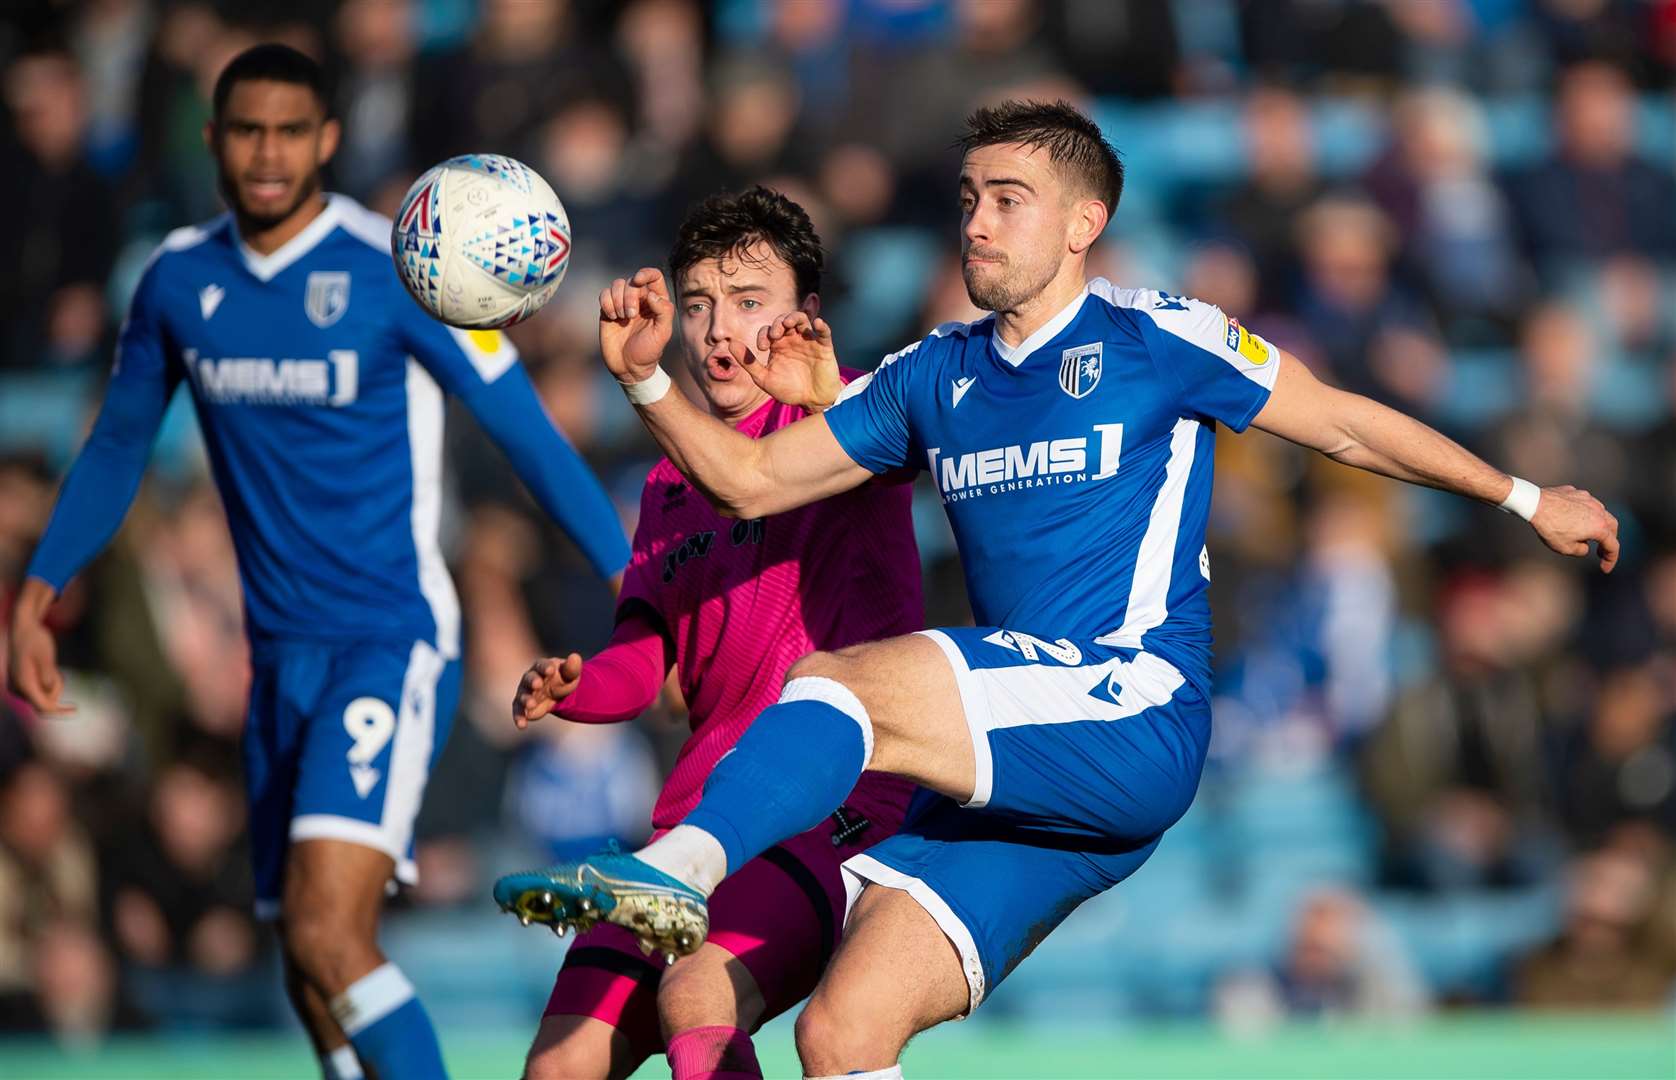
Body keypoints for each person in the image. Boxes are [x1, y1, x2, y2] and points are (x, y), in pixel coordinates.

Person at [495, 99, 1619, 1079]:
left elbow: (1337, 419)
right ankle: (686, 879)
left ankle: (675, 868)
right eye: (970, 196)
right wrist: (645, 377)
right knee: (840, 1033)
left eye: (1008, 198)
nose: (976, 220)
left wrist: (1521, 498)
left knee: (838, 683)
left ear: (1081, 225)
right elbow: (747, 479)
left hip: (1129, 701)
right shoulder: (932, 372)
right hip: (1022, 775)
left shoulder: (1157, 337)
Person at [5, 44, 629, 1080]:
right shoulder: (177, 282)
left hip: (385, 641)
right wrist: (38, 590)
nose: (267, 151)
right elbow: (118, 446)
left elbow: (527, 437)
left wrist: (627, 572)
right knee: (306, 961)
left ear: (327, 139)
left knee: (329, 930)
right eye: (246, 129)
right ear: (211, 140)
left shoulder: (399, 274)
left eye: (291, 130)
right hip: (273, 658)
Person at [495, 187, 920, 1080]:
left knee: (696, 991)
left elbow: (853, 501)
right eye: (698, 305)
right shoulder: (664, 486)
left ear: (806, 316)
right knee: (556, 1069)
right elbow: (646, 658)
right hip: (689, 823)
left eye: (749, 302)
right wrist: (582, 688)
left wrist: (820, 398)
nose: (719, 330)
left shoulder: (849, 428)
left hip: (829, 813)